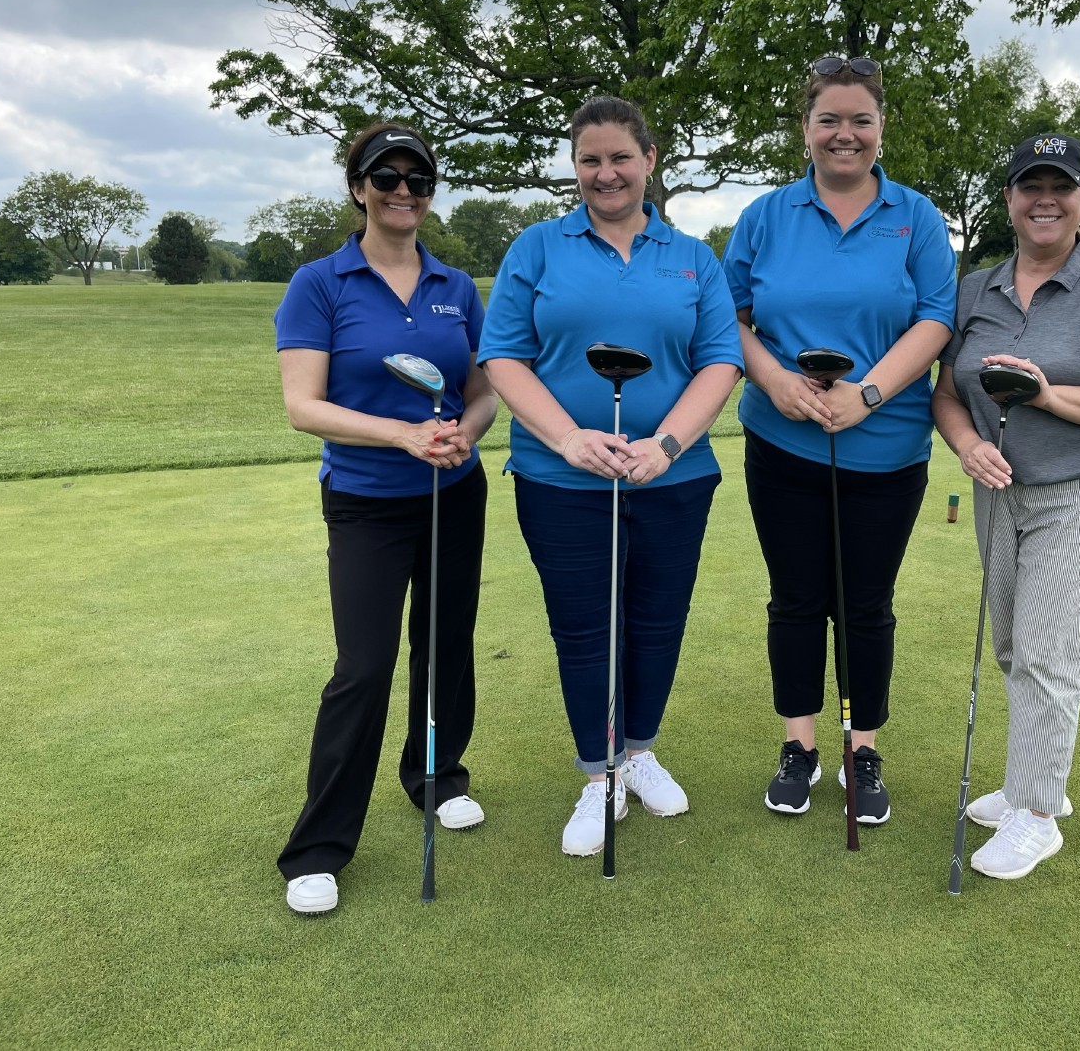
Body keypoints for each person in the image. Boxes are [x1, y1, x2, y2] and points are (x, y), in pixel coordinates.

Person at [480, 96, 743, 856]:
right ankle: (601, 774)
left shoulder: (693, 257)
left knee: (658, 619)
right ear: (575, 166)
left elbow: (720, 359)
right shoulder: (536, 247)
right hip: (561, 479)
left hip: (674, 476)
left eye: (620, 158)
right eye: (590, 159)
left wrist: (665, 443)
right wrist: (566, 439)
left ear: (650, 160)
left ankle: (642, 748)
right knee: (586, 628)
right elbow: (504, 357)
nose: (606, 173)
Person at [723, 55, 956, 824]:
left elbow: (935, 318)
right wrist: (775, 381)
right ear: (807, 128)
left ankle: (863, 748)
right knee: (796, 600)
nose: (844, 134)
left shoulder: (915, 216)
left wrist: (868, 393)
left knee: (865, 606)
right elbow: (730, 320)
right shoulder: (766, 216)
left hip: (886, 449)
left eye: (860, 119)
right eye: (830, 119)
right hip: (783, 444)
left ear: (881, 126)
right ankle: (800, 746)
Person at [273, 123, 499, 914]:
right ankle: (319, 845)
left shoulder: (456, 284)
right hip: (366, 499)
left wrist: (462, 435)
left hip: (452, 491)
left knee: (445, 646)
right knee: (363, 665)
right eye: (387, 175)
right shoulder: (321, 283)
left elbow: (481, 389)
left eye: (419, 177)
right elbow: (304, 406)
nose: (404, 189)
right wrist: (404, 433)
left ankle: (437, 778)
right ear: (358, 185)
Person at [932, 132, 1080, 880]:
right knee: (1012, 645)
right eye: (1028, 185)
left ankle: (1036, 813)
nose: (1044, 199)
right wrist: (967, 444)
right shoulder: (975, 288)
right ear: (1007, 199)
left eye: (1060, 186)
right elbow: (946, 394)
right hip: (998, 490)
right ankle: (1039, 780)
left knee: (1046, 651)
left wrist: (1047, 394)